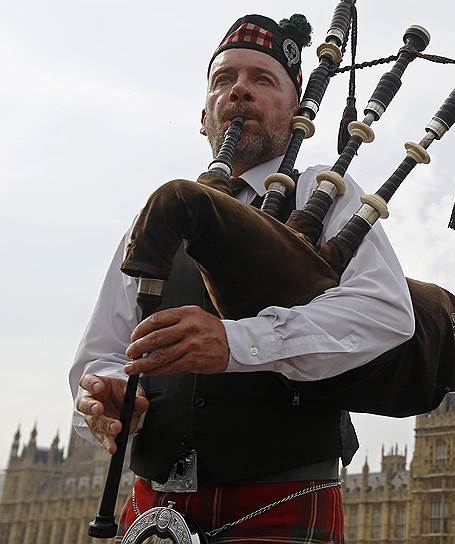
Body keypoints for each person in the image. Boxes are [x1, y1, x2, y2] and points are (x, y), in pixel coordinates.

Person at [69, 12, 414, 542]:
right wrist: (107, 397)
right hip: (153, 504)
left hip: (278, 497)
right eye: (224, 80)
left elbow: (385, 312)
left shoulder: (323, 195)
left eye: (262, 79)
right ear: (203, 115)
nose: (239, 92)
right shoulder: (155, 223)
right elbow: (101, 355)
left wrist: (234, 343)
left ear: (298, 110)